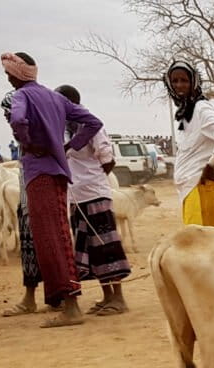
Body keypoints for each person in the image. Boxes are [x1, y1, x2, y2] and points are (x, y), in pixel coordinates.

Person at [3, 51, 103, 328]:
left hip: (39, 173)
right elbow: (93, 123)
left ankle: (71, 307)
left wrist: (28, 143)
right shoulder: (56, 97)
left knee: (49, 239)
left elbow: (18, 120)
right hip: (59, 171)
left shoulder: (22, 96)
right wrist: (68, 146)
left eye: (8, 73)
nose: (7, 78)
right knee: (59, 234)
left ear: (17, 73)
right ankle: (67, 301)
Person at [56, 84, 131, 315]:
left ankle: (118, 298)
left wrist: (93, 180)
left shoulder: (90, 124)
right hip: (76, 197)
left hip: (95, 193)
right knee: (91, 248)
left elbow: (107, 159)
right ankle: (106, 296)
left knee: (105, 244)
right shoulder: (64, 128)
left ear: (69, 104)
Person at [164, 60, 214, 226]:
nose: (179, 85)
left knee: (205, 248)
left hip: (203, 189)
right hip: (192, 190)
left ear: (194, 83)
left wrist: (211, 165)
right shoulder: (186, 111)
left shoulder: (200, 108)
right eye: (174, 81)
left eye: (184, 80)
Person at [0, 90, 46, 318]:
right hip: (32, 200)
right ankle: (50, 297)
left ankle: (31, 299)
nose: (9, 120)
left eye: (9, 114)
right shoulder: (28, 140)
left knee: (34, 245)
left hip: (35, 201)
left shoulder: (32, 138)